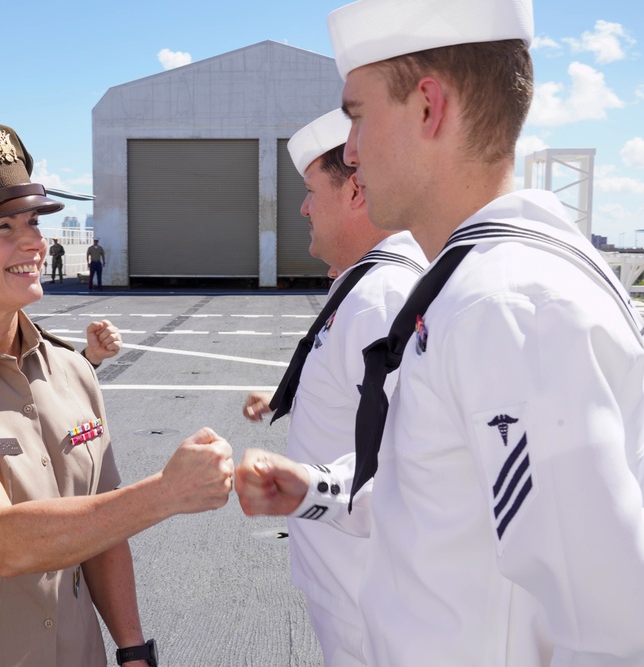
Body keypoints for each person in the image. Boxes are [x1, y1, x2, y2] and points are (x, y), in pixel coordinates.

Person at [235, 0, 644, 665]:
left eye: (358, 117)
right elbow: (437, 489)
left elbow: (622, 639)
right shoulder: (474, 288)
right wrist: (316, 490)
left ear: (428, 107)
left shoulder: (511, 308)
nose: (351, 152)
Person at [0, 122, 231, 666]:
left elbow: (102, 532)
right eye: (3, 227)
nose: (34, 241)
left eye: (32, 222)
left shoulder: (73, 372)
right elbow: (7, 542)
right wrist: (166, 493)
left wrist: (132, 649)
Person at [239, 109, 424, 666]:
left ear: (355, 193)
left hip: (370, 607)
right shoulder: (369, 286)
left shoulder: (382, 296)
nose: (303, 207)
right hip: (352, 584)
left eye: (311, 189)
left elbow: (413, 463)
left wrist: (308, 489)